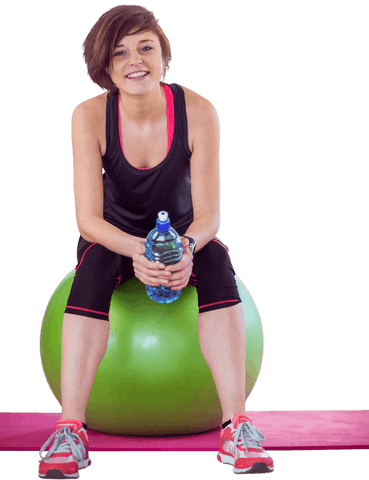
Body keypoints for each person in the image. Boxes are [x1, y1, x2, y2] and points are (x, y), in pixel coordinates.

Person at [37, 4, 275, 478]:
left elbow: (210, 215)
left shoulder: (198, 110)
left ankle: (236, 428)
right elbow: (88, 220)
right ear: (105, 66)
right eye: (120, 52)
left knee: (217, 264)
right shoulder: (88, 116)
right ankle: (70, 431)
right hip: (112, 241)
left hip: (185, 240)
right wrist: (137, 252)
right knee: (96, 266)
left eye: (146, 47)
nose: (135, 60)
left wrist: (184, 248)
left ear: (164, 56)